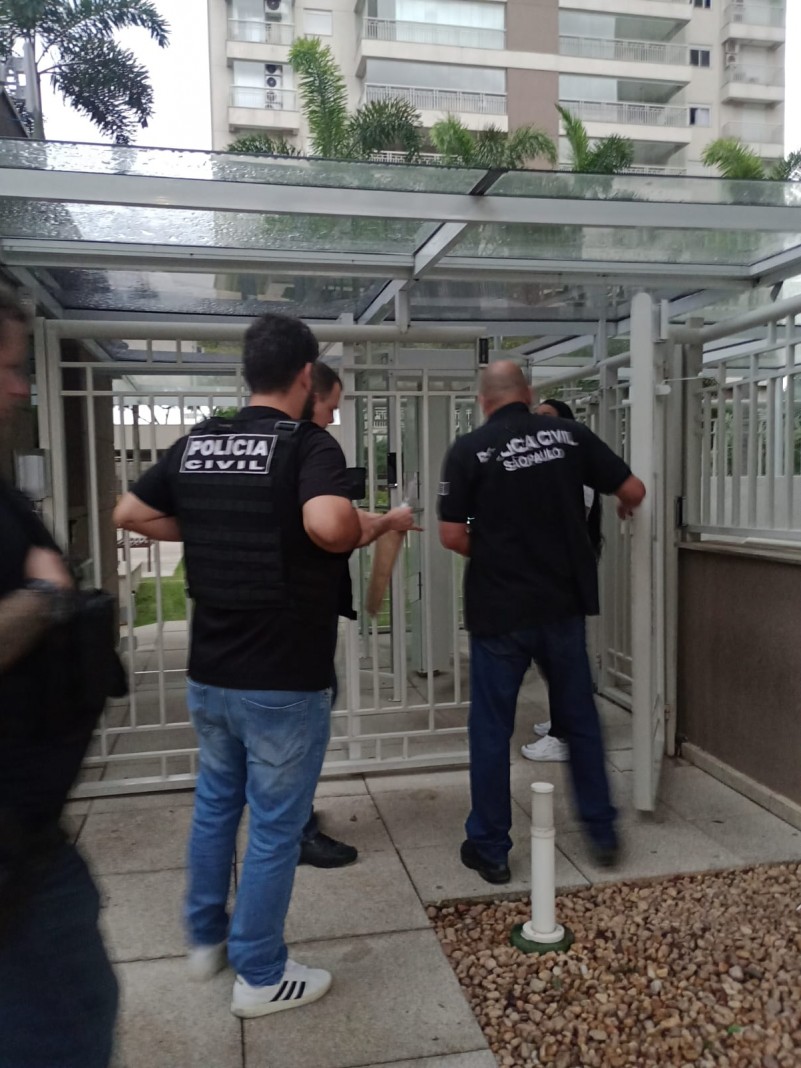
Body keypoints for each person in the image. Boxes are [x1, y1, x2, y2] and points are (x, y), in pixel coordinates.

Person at [113, 313, 402, 1019]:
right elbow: (327, 525)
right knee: (274, 826)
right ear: (305, 376)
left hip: (210, 671)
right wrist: (362, 525)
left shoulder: (199, 441)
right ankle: (262, 974)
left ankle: (204, 937)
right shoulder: (307, 443)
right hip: (282, 675)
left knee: (216, 806)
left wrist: (208, 524)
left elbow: (129, 512)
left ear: (247, 372)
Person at [438, 361, 645, 882]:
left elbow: (451, 535)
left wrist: (496, 553)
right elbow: (634, 488)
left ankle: (490, 848)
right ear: (528, 394)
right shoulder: (570, 436)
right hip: (561, 606)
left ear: (483, 401)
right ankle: (601, 832)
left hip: (498, 611)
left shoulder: (469, 450)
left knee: (491, 729)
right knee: (580, 719)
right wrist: (624, 505)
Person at [0, 286, 118, 1065]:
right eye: (9, 368)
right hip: (11, 862)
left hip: (28, 839)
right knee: (64, 1028)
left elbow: (132, 514)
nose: (22, 388)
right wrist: (46, 598)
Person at [298, 361, 416, 867]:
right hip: (299, 624)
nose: (332, 417)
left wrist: (376, 520)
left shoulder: (248, 445)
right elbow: (333, 528)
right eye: (331, 406)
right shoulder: (313, 447)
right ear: (308, 390)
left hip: (235, 639)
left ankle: (290, 817)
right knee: (307, 718)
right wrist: (384, 523)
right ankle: (295, 828)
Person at [522, 397, 603, 763]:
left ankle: (565, 735)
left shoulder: (575, 469)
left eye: (547, 417)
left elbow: (561, 523)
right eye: (535, 416)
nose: (538, 423)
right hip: (547, 576)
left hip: (561, 578)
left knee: (562, 658)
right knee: (551, 656)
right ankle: (563, 720)